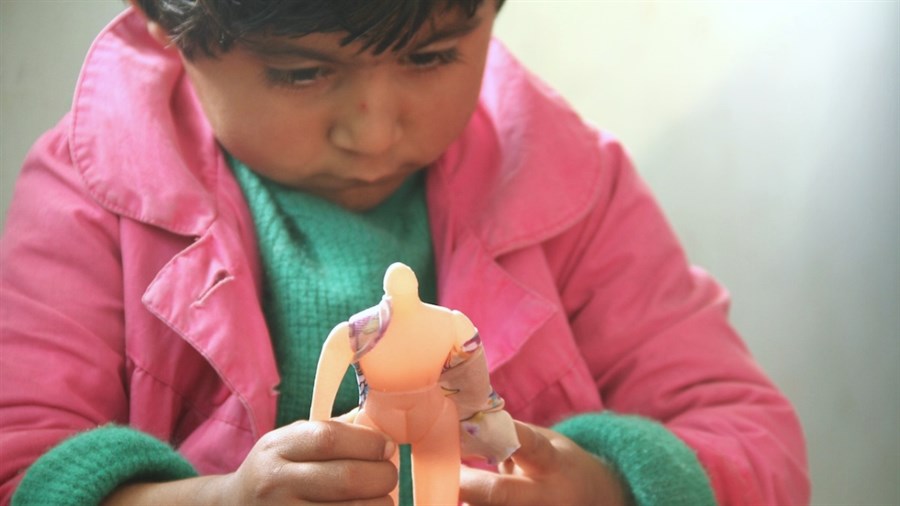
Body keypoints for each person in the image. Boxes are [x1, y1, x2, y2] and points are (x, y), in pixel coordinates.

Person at [0, 0, 809, 505]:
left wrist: (611, 487)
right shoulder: (91, 196)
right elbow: (20, 469)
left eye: (430, 56)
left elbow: (755, 443)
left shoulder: (574, 186)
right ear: (161, 20)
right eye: (301, 73)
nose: (376, 129)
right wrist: (222, 501)